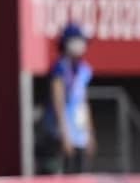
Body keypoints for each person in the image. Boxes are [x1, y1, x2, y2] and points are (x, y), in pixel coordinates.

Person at [38, 22, 96, 174]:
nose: (82, 45)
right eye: (78, 40)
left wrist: (89, 133)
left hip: (78, 133)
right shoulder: (60, 68)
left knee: (80, 174)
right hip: (59, 133)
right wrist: (65, 134)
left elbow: (83, 103)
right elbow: (58, 102)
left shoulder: (83, 69)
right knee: (57, 173)